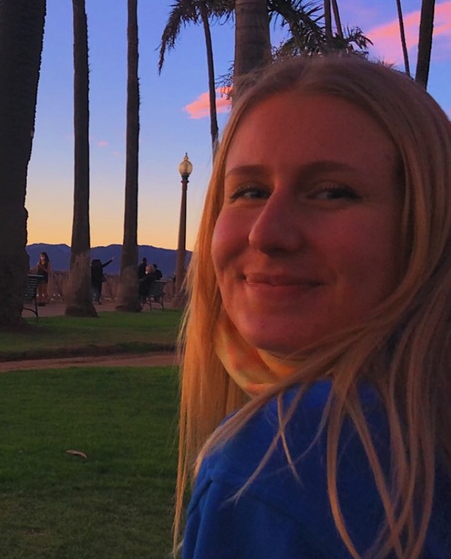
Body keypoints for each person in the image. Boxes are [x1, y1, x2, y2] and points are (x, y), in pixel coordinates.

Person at [176, 55, 451, 559]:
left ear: (426, 224)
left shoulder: (285, 458)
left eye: (331, 193)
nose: (266, 233)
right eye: (250, 191)